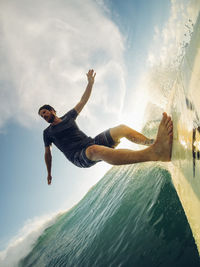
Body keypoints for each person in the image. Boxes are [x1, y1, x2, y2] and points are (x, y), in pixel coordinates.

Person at [39, 69, 173, 185]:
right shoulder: (48, 133)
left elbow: (83, 100)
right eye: (42, 116)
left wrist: (90, 83)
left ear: (52, 110)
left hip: (91, 142)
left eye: (44, 112)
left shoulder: (68, 117)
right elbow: (48, 154)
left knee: (121, 129)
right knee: (93, 150)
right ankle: (155, 153)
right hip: (78, 156)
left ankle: (152, 143)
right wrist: (49, 173)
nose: (44, 116)